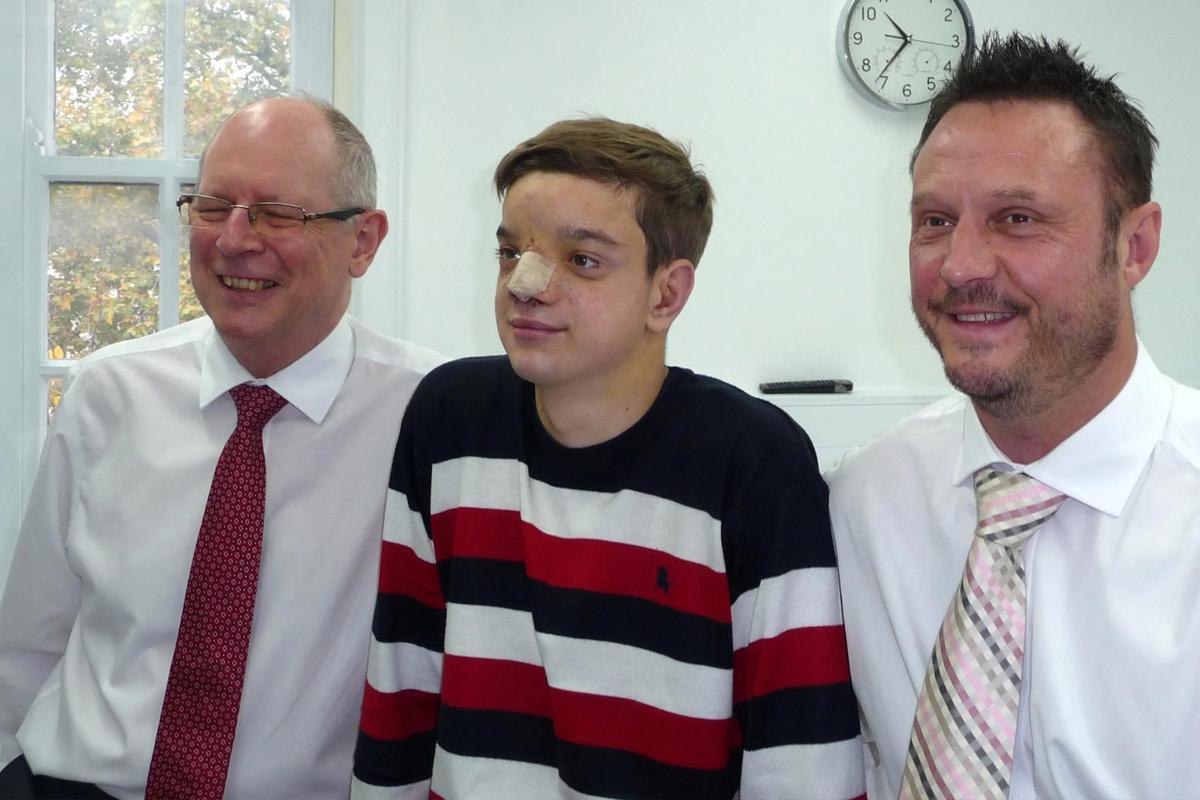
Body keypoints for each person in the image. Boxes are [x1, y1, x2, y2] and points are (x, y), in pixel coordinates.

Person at [351, 118, 864, 799]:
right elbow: (402, 684)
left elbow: (802, 761)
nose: (525, 284)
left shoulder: (754, 462)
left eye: (582, 260)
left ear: (666, 294)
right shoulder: (449, 419)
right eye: (510, 252)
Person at [0, 96, 443, 799]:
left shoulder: (432, 417)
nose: (234, 239)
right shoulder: (108, 392)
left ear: (362, 240)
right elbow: (28, 641)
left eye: (277, 213)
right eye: (212, 207)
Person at [829, 32, 1200, 799]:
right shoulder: (864, 501)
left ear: (1135, 247)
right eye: (935, 220)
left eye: (1018, 218)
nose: (961, 264)